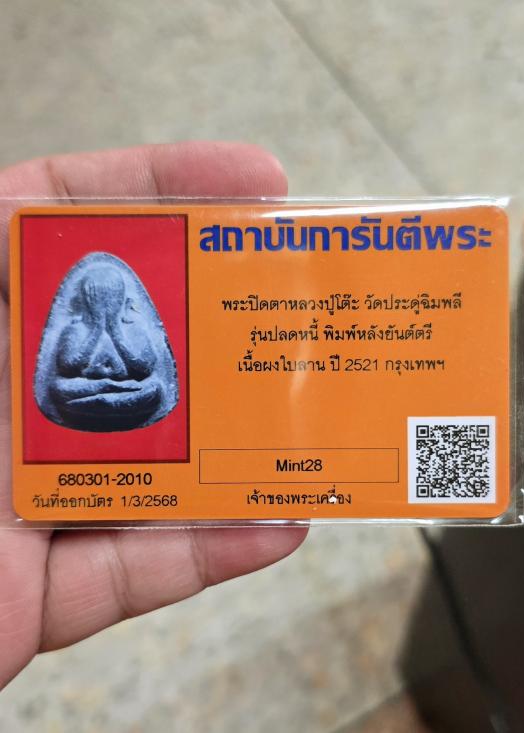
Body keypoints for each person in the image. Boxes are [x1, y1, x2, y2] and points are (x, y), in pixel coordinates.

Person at [0, 141, 308, 689]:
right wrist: (95, 339)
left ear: (123, 301)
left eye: (110, 303)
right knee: (77, 385)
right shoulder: (73, 325)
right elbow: (64, 368)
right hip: (80, 397)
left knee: (137, 386)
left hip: (130, 396)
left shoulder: (131, 322)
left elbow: (145, 366)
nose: (101, 310)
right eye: (94, 304)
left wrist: (114, 333)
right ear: (82, 302)